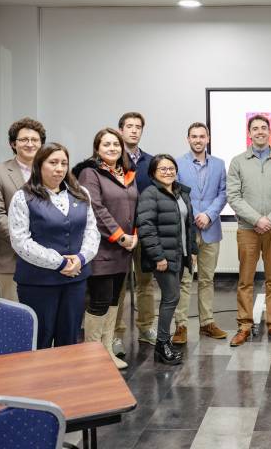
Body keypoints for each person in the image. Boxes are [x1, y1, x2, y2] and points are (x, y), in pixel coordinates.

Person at [8, 143, 98, 349]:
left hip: (76, 280)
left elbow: (92, 231)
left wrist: (81, 259)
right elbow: (20, 241)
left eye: (64, 163)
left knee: (70, 338)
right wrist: (59, 262)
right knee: (40, 339)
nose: (59, 168)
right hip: (39, 282)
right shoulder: (23, 197)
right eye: (53, 162)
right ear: (39, 165)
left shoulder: (81, 193)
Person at [226, 114, 271, 347]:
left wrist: (270, 220)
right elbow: (233, 196)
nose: (259, 131)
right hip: (247, 230)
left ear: (269, 132)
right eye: (255, 128)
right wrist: (257, 219)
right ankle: (244, 326)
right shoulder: (238, 162)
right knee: (245, 280)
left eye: (263, 128)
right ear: (249, 133)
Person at [74, 128, 139, 369]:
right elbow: (96, 209)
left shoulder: (127, 174)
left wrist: (134, 236)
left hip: (124, 249)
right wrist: (121, 237)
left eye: (116, 144)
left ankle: (108, 348)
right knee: (99, 300)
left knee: (114, 300)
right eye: (106, 144)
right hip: (101, 248)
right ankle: (93, 353)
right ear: (97, 148)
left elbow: (134, 207)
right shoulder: (90, 173)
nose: (112, 148)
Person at [137, 154, 198, 365]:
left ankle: (164, 342)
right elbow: (146, 228)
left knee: (172, 297)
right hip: (163, 258)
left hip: (179, 255)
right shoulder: (150, 194)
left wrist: (192, 251)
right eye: (162, 169)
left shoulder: (180, 193)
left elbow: (189, 225)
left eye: (171, 168)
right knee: (171, 297)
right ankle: (162, 346)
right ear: (153, 172)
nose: (168, 172)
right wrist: (158, 257)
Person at [172, 123, 228, 345]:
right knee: (185, 280)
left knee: (207, 279)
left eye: (202, 136)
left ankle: (207, 323)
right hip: (186, 229)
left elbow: (223, 194)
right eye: (193, 136)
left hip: (210, 229)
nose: (198, 140)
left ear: (208, 138)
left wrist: (209, 215)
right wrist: (195, 215)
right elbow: (174, 192)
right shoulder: (177, 163)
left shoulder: (219, 164)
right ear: (188, 139)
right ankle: (181, 326)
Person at [0, 117, 46, 302]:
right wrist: (26, 243)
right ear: (13, 143)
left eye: (35, 140)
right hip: (12, 261)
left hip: (50, 259)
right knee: (15, 321)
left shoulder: (53, 170)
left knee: (45, 321)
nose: (30, 144)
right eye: (23, 140)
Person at [113, 111, 156, 357]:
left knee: (146, 284)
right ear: (120, 130)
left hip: (144, 231)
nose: (133, 130)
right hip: (118, 235)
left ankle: (146, 327)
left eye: (138, 127)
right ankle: (116, 334)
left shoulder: (150, 162)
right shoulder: (110, 160)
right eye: (129, 126)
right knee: (117, 286)